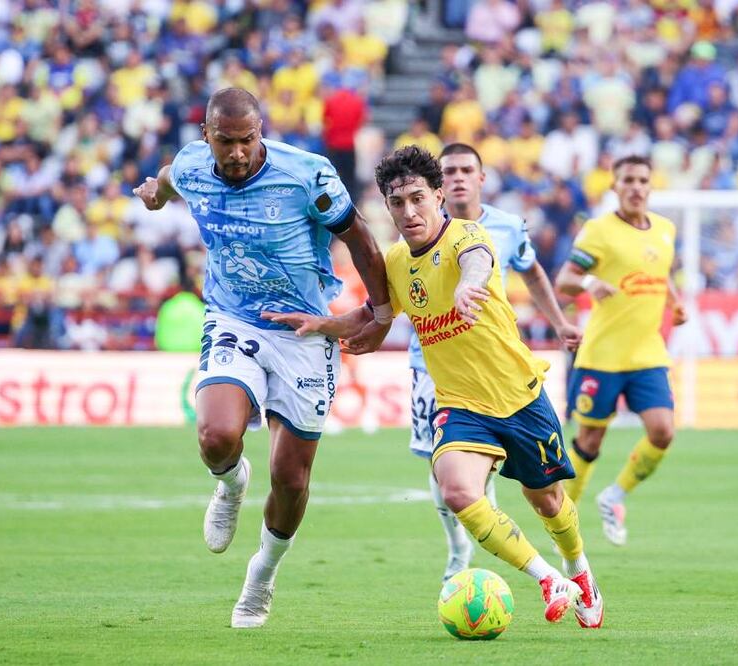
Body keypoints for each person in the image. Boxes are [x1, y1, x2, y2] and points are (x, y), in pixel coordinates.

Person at [265, 146, 603, 629]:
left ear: (438, 196)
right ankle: (549, 578)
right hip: (460, 405)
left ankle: (579, 568)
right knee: (457, 490)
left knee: (547, 500)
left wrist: (468, 285)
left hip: (519, 397)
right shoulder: (396, 262)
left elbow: (477, 262)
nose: (409, 212)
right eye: (397, 203)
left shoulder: (467, 234)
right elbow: (373, 315)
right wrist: (322, 324)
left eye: (417, 199)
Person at [133, 88, 391, 629]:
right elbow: (172, 177)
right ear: (206, 136)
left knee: (290, 479)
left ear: (261, 132)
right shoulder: (193, 164)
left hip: (303, 330)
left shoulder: (307, 175)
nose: (237, 152)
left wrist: (382, 313)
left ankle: (261, 576)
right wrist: (156, 192)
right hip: (233, 318)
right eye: (225, 141)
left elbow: (361, 239)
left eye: (247, 140)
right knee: (216, 436)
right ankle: (231, 483)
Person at [410, 143, 581, 581]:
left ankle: (517, 539)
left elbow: (532, 272)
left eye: (467, 170)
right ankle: (459, 548)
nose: (458, 178)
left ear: (482, 178)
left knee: (540, 492)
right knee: (443, 465)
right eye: (449, 171)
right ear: (438, 185)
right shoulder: (414, 235)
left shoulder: (505, 227)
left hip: (500, 371)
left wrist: (559, 322)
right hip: (433, 368)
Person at [554, 155, 687, 547]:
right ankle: (564, 521)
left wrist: (675, 302)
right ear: (615, 186)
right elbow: (565, 279)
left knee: (663, 431)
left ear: (650, 185)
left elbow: (660, 275)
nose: (635, 187)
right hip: (603, 356)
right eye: (627, 180)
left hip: (647, 354)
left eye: (642, 180)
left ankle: (614, 495)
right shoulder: (598, 231)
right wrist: (590, 283)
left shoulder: (664, 230)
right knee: (589, 441)